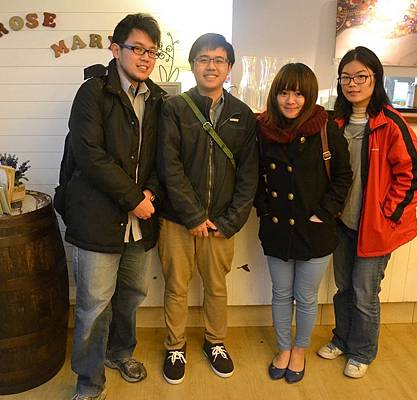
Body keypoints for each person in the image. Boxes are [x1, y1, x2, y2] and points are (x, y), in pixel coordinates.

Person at [54, 13, 166, 400]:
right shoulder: (92, 93)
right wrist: (134, 199)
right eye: (137, 49)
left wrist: (150, 193)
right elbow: (90, 155)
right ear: (116, 49)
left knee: (131, 295)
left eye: (152, 51)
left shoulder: (158, 99)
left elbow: (162, 159)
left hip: (140, 222)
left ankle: (120, 353)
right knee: (93, 305)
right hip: (97, 219)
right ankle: (89, 383)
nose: (145, 58)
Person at [316, 46, 417, 379]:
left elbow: (414, 175)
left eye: (360, 76)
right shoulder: (335, 122)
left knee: (365, 293)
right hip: (342, 223)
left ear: (375, 79)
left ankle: (362, 351)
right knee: (344, 288)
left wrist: (388, 214)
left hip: (376, 228)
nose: (352, 84)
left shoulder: (390, 124)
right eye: (346, 77)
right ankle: (342, 339)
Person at [156, 33, 258, 385]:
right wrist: (193, 216)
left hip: (221, 222)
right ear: (193, 65)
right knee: (176, 286)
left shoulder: (242, 114)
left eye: (218, 60)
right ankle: (175, 346)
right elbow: (169, 167)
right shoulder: (174, 108)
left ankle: (215, 342)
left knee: (216, 286)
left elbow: (249, 174)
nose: (210, 66)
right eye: (203, 59)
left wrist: (230, 221)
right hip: (177, 219)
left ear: (229, 67)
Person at [255, 63, 352, 384]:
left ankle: (299, 350)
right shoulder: (263, 129)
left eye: (298, 94)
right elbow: (253, 176)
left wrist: (323, 213)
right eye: (284, 92)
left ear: (309, 96)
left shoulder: (325, 128)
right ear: (275, 95)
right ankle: (284, 348)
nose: (291, 100)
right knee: (281, 293)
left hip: (316, 230)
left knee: (306, 297)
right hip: (277, 228)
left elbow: (343, 176)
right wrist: (264, 209)